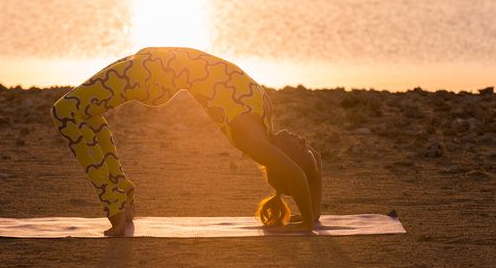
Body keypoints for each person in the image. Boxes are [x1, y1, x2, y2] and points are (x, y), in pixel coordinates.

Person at [51, 47, 322, 236]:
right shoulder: (265, 125)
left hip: (151, 74)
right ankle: (122, 193)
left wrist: (307, 223)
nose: (303, 140)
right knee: (86, 112)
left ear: (285, 161)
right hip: (152, 62)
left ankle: (113, 204)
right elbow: (312, 164)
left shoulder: (250, 137)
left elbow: (298, 174)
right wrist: (315, 213)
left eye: (301, 148)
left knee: (64, 111)